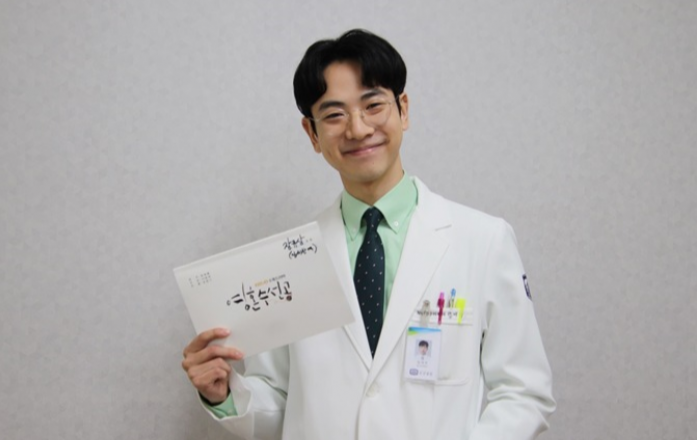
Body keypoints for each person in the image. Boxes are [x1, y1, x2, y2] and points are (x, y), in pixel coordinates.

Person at [182, 29, 555, 440]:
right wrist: (225, 394)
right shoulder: (289, 263)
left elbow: (524, 392)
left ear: (403, 110)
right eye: (334, 115)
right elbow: (279, 404)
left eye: (373, 105)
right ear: (312, 133)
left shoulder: (483, 241)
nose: (358, 129)